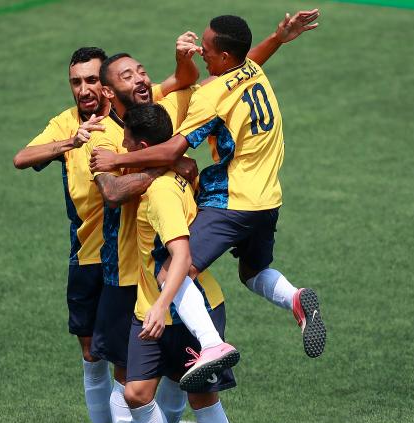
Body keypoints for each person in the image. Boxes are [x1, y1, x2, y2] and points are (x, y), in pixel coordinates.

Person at [89, 14, 327, 393]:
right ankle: (295, 299)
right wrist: (279, 38)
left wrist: (116, 160)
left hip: (232, 201)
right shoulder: (250, 69)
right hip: (269, 199)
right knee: (251, 272)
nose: (203, 54)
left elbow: (171, 149)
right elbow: (251, 57)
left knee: (172, 272)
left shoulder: (209, 97)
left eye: (208, 50)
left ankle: (212, 345)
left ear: (226, 55)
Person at [13, 41, 200, 423]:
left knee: (139, 365)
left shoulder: (138, 118)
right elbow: (22, 158)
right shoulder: (73, 126)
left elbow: (187, 81)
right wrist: (69, 143)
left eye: (92, 80)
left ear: (107, 87)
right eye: (75, 82)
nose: (83, 89)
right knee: (94, 354)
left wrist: (185, 58)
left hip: (130, 258)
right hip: (88, 253)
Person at [122, 103, 234, 423]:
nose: (122, 147)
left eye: (126, 140)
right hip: (150, 306)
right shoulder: (175, 176)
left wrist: (161, 306)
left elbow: (182, 255)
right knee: (137, 393)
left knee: (203, 400)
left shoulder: (162, 193)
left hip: (186, 309)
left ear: (143, 148)